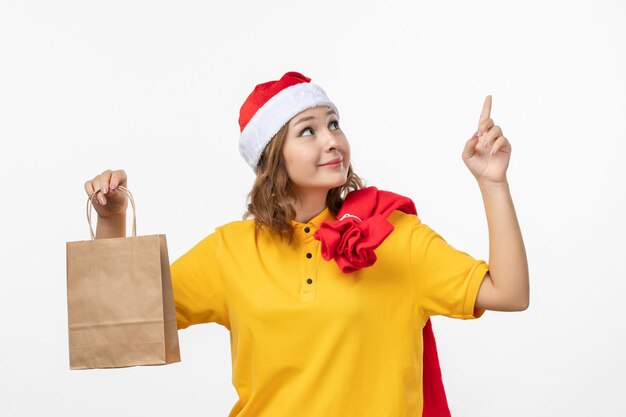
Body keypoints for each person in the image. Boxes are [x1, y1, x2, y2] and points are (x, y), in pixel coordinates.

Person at [84, 71, 529, 416]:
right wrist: (112, 218)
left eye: (333, 123)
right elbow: (123, 326)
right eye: (309, 130)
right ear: (274, 155)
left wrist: (493, 184)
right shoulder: (231, 251)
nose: (333, 139)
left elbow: (508, 292)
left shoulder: (393, 234)